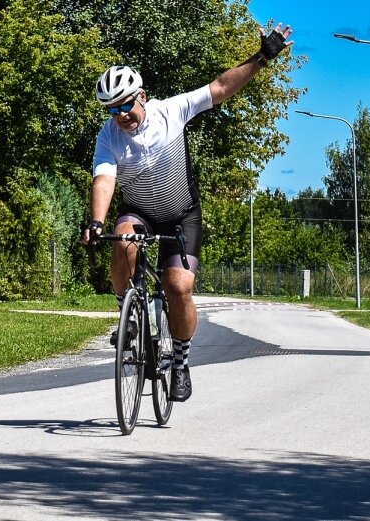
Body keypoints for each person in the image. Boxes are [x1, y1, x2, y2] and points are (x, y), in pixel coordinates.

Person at [82, 23, 294, 402]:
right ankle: (127, 319)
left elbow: (219, 87)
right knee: (122, 242)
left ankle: (180, 364)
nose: (120, 115)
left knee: (178, 287)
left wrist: (262, 57)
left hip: (182, 215)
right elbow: (103, 180)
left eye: (125, 105)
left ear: (141, 96)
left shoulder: (172, 111)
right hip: (140, 211)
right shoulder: (108, 136)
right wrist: (96, 221)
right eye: (111, 110)